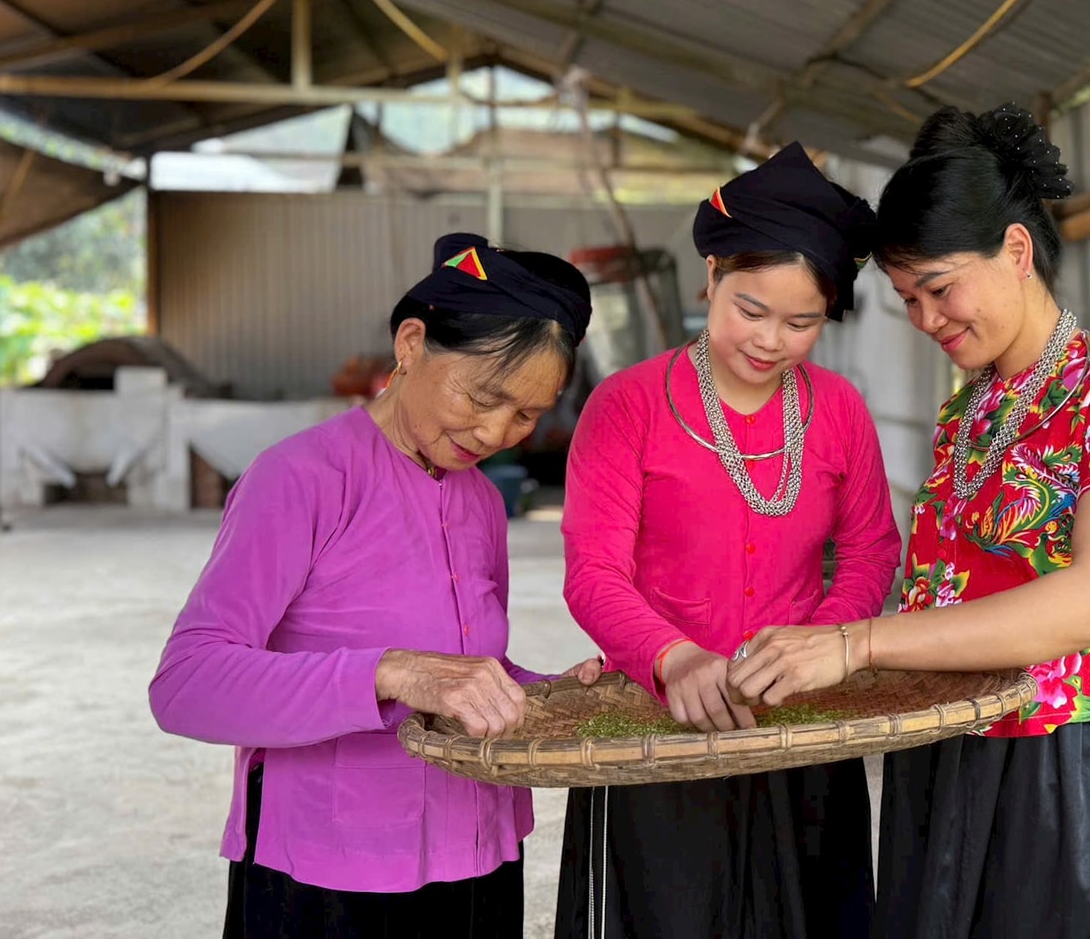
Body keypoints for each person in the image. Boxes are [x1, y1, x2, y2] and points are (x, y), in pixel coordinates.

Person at [730, 106, 1090, 939]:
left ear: (1016, 251)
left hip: (1056, 771)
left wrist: (858, 643)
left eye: (939, 289)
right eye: (908, 299)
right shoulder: (969, 411)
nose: (927, 320)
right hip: (941, 748)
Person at [151, 232, 605, 938]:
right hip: (331, 874)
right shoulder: (301, 479)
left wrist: (548, 691)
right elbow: (186, 686)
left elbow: (464, 661)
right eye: (483, 396)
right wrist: (391, 673)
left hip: (479, 857)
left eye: (527, 414)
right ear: (412, 343)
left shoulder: (482, 501)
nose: (495, 431)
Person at [557, 142, 902, 938]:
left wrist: (818, 647)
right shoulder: (627, 405)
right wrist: (671, 657)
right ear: (710, 278)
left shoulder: (839, 409)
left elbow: (872, 549)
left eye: (801, 322)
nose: (771, 341)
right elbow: (593, 571)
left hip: (805, 723)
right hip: (660, 726)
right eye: (751, 309)